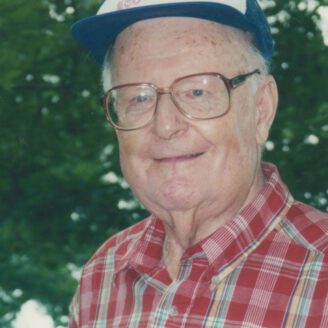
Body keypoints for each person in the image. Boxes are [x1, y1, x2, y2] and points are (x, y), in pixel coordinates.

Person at [69, 0, 328, 327]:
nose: (165, 126)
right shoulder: (102, 276)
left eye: (197, 92)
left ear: (261, 109)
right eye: (139, 98)